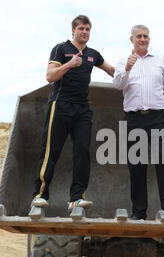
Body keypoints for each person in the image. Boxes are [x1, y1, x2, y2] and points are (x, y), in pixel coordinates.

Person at [31, 15, 115, 212]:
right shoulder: (61, 48)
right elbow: (50, 76)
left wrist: (128, 69)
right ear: (73, 30)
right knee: (51, 151)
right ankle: (39, 195)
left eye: (87, 29)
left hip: (82, 109)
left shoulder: (93, 54)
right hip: (60, 105)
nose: (84, 32)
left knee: (83, 152)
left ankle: (76, 198)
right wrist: (69, 64)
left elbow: (112, 70)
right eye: (81, 29)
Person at [113, 25, 164, 221]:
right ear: (131, 39)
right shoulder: (122, 62)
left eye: (146, 36)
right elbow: (118, 85)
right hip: (134, 119)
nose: (143, 39)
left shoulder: (160, 61)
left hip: (158, 117)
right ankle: (139, 212)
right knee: (136, 166)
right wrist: (127, 68)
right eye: (139, 36)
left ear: (149, 39)